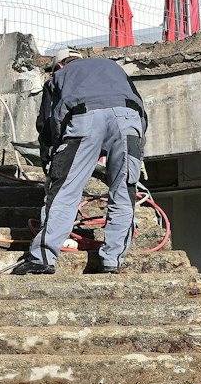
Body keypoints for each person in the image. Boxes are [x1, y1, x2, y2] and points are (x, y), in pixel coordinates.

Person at [20, 49, 147, 275]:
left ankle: (41, 258)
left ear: (59, 65)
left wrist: (51, 166)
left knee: (66, 191)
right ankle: (112, 261)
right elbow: (139, 108)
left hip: (84, 118)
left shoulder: (59, 76)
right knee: (122, 192)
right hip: (130, 120)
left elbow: (47, 126)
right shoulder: (112, 67)